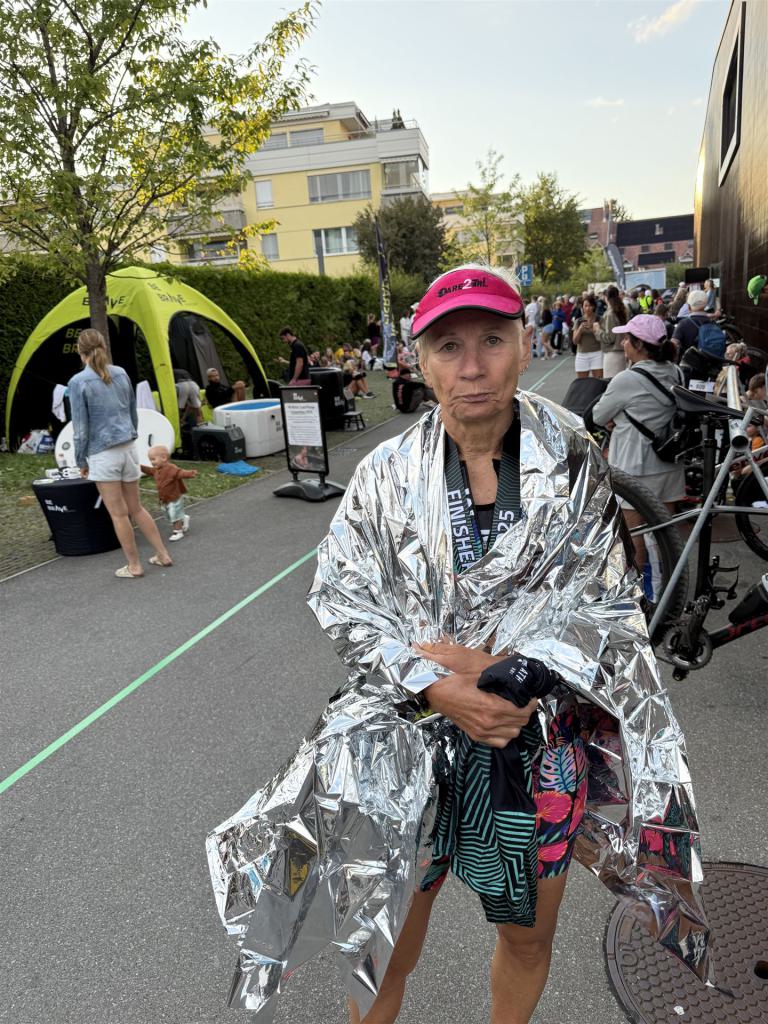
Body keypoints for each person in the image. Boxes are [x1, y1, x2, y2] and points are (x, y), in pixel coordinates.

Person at [67, 329, 173, 578]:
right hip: (128, 448)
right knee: (137, 508)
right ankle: (162, 554)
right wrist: (131, 436)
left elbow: (80, 429)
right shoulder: (121, 373)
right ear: (104, 346)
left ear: (80, 352)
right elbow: (132, 413)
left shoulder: (78, 382)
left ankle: (134, 565)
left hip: (102, 453)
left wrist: (81, 460)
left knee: (118, 513)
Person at [591, 314, 685, 567]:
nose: (623, 343)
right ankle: (671, 585)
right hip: (669, 464)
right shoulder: (676, 372)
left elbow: (599, 415)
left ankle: (639, 588)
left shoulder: (626, 379)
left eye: (626, 339)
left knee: (633, 534)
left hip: (635, 468)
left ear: (640, 345)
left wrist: (616, 418)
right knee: (666, 536)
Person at [140, 444, 198, 542]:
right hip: (165, 498)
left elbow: (180, 473)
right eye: (150, 460)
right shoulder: (157, 470)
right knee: (168, 514)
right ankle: (183, 518)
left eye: (153, 459)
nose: (151, 462)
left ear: (164, 458)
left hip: (174, 497)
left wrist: (190, 473)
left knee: (174, 514)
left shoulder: (171, 468)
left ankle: (178, 531)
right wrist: (140, 467)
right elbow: (149, 471)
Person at [671, 289, 711, 359]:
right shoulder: (713, 323)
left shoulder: (683, 323)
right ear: (705, 305)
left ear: (689, 306)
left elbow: (672, 346)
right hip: (710, 363)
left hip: (688, 363)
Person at [599, 285, 628, 378]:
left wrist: (597, 330)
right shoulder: (623, 310)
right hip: (622, 352)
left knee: (610, 382)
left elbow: (609, 338)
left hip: (612, 353)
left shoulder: (610, 314)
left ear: (606, 297)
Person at [572, 295, 603, 378]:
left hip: (597, 353)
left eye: (590, 306)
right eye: (585, 306)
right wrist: (580, 329)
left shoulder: (599, 319)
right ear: (582, 307)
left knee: (598, 381)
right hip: (582, 354)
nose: (587, 308)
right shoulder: (578, 321)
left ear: (594, 306)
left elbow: (602, 338)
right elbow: (575, 341)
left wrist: (593, 329)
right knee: (582, 382)